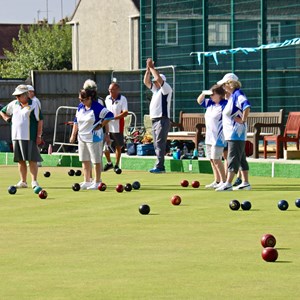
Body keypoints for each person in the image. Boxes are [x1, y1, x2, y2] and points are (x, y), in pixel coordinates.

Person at [0, 85, 43, 188]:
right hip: (16, 136)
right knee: (20, 160)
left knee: (32, 159)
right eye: (16, 96)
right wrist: (6, 118)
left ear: (26, 95)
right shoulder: (14, 104)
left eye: (19, 96)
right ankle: (23, 181)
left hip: (29, 136)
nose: (17, 98)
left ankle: (34, 181)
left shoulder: (34, 104)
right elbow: (2, 111)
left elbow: (40, 120)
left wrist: (39, 135)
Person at [69, 89, 113, 190]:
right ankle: (87, 181)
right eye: (80, 99)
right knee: (84, 160)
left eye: (83, 100)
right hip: (82, 137)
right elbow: (76, 121)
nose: (81, 102)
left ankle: (97, 181)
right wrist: (73, 135)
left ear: (89, 98)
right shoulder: (80, 107)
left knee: (96, 160)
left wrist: (101, 125)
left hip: (94, 137)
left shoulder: (97, 107)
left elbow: (110, 115)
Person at [215, 73, 251, 191]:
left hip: (236, 133)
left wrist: (243, 120)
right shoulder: (232, 96)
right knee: (241, 158)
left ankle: (228, 183)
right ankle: (245, 182)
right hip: (232, 133)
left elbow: (246, 106)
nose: (223, 87)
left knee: (233, 157)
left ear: (230, 84)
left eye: (224, 85)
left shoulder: (238, 94)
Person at [143, 58, 172, 173]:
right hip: (155, 120)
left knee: (160, 143)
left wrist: (152, 68)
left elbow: (159, 79)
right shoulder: (156, 91)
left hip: (162, 119)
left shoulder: (166, 89)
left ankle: (160, 166)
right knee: (156, 143)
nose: (154, 83)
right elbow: (146, 82)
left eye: (156, 81)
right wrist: (147, 69)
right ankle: (159, 165)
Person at [197, 85, 227, 189]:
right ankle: (217, 180)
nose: (211, 96)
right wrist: (204, 93)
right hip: (209, 136)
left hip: (219, 137)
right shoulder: (210, 103)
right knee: (211, 159)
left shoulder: (225, 105)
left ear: (220, 95)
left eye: (213, 94)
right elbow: (199, 101)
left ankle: (224, 182)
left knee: (216, 159)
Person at [103, 82, 128, 173]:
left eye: (112, 90)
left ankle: (116, 165)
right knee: (105, 147)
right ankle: (109, 163)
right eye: (109, 90)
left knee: (118, 146)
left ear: (118, 90)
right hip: (107, 126)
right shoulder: (107, 99)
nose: (110, 91)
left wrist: (114, 117)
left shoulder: (123, 99)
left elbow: (125, 113)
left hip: (118, 126)